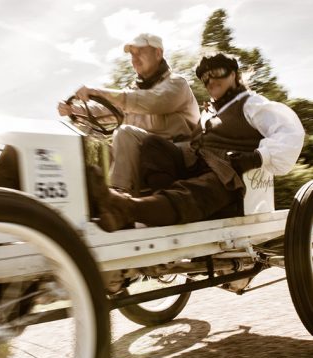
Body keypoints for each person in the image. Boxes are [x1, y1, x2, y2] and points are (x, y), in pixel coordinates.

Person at [88, 52, 305, 232]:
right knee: (154, 145)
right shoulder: (209, 112)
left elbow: (290, 133)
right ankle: (152, 210)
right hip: (197, 167)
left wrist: (256, 158)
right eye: (205, 77)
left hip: (229, 175)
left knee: (196, 189)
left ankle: (127, 208)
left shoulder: (251, 104)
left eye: (217, 72)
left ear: (235, 75)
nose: (211, 80)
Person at [58, 33, 200, 195]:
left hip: (177, 156)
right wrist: (73, 110)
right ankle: (92, 200)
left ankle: (119, 199)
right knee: (101, 151)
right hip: (146, 156)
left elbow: (150, 101)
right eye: (132, 54)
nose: (135, 58)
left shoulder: (177, 84)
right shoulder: (134, 90)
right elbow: (107, 110)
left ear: (158, 53)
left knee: (125, 133)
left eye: (140, 52)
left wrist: (96, 91)